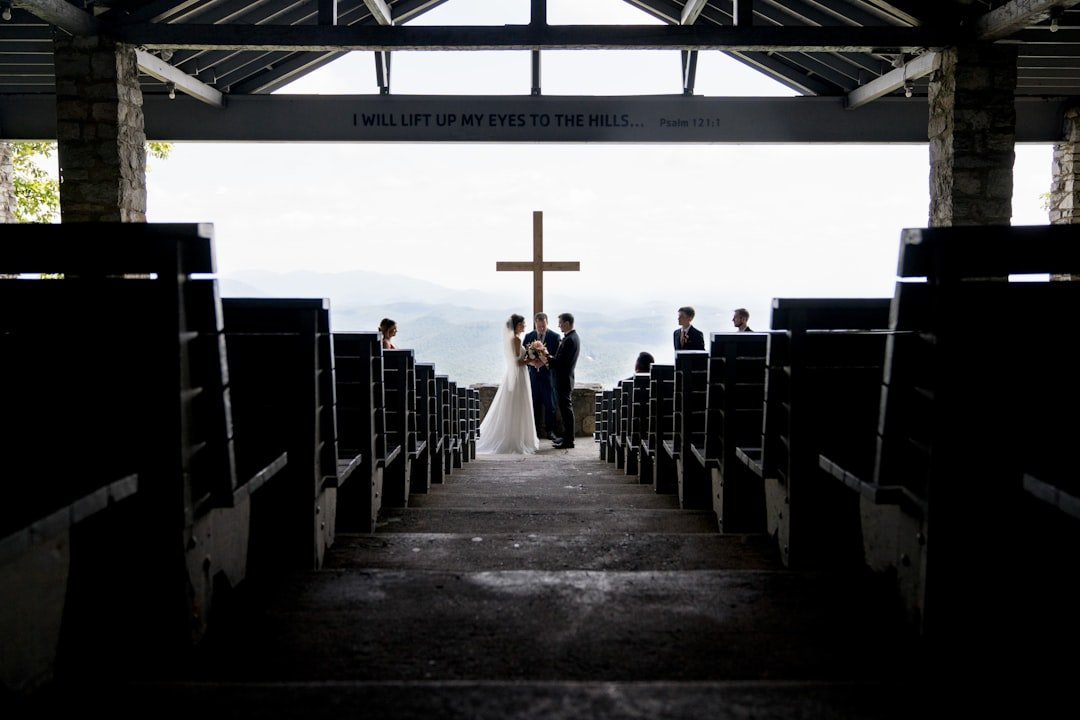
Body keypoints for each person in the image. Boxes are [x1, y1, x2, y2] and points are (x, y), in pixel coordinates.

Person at [475, 314, 540, 455]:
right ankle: (516, 440)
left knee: (516, 406)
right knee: (519, 405)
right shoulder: (516, 340)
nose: (525, 326)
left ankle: (516, 436)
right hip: (519, 376)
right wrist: (532, 358)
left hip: (516, 375)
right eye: (522, 323)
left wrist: (530, 357)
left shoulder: (513, 339)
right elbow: (517, 362)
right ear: (516, 325)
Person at [522, 311, 560, 441]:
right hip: (533, 376)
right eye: (539, 326)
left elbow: (556, 357)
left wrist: (544, 360)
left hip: (548, 376)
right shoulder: (528, 336)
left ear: (547, 323)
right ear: (535, 324)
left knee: (550, 405)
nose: (541, 329)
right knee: (534, 404)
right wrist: (533, 362)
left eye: (543, 326)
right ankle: (535, 431)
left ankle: (551, 431)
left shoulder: (555, 337)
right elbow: (524, 356)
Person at [549, 312, 581, 450]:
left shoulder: (570, 340)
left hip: (563, 379)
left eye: (561, 322)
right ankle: (566, 437)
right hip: (565, 378)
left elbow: (560, 362)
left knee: (566, 410)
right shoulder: (572, 338)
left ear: (567, 323)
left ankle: (569, 440)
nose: (559, 325)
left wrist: (546, 356)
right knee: (564, 409)